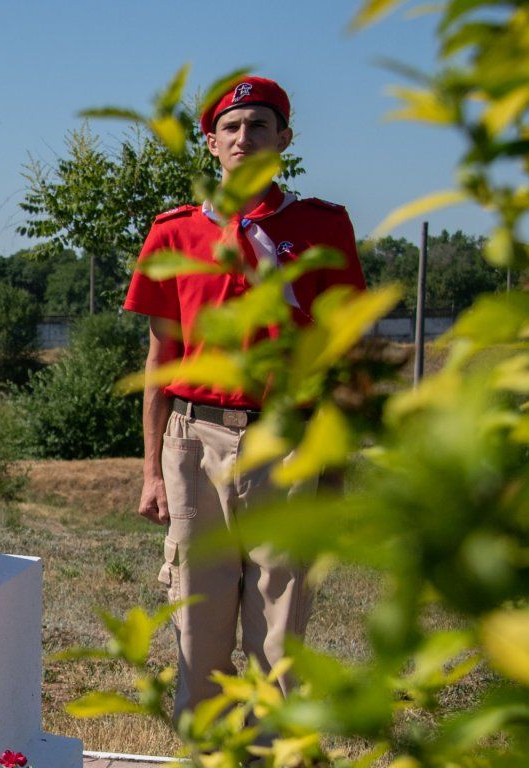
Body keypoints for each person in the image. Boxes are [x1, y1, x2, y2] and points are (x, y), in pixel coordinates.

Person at [124, 77, 366, 719]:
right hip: (194, 443)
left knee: (279, 633)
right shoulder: (176, 233)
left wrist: (334, 471)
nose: (243, 137)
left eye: (259, 125)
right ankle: (207, 767)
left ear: (284, 139)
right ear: (211, 144)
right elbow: (160, 361)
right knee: (197, 629)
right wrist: (151, 472)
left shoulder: (321, 228)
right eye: (229, 128)